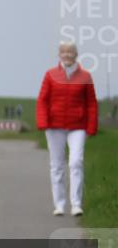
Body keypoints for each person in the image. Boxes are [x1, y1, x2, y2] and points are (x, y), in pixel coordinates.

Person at [36, 42, 98, 217]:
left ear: (76, 54)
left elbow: (91, 103)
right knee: (57, 166)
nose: (67, 54)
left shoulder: (85, 76)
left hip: (78, 127)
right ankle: (60, 205)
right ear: (59, 54)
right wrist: (43, 122)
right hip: (54, 127)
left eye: (70, 51)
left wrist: (91, 126)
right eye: (63, 51)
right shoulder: (50, 75)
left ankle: (76, 204)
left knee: (76, 162)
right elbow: (42, 100)